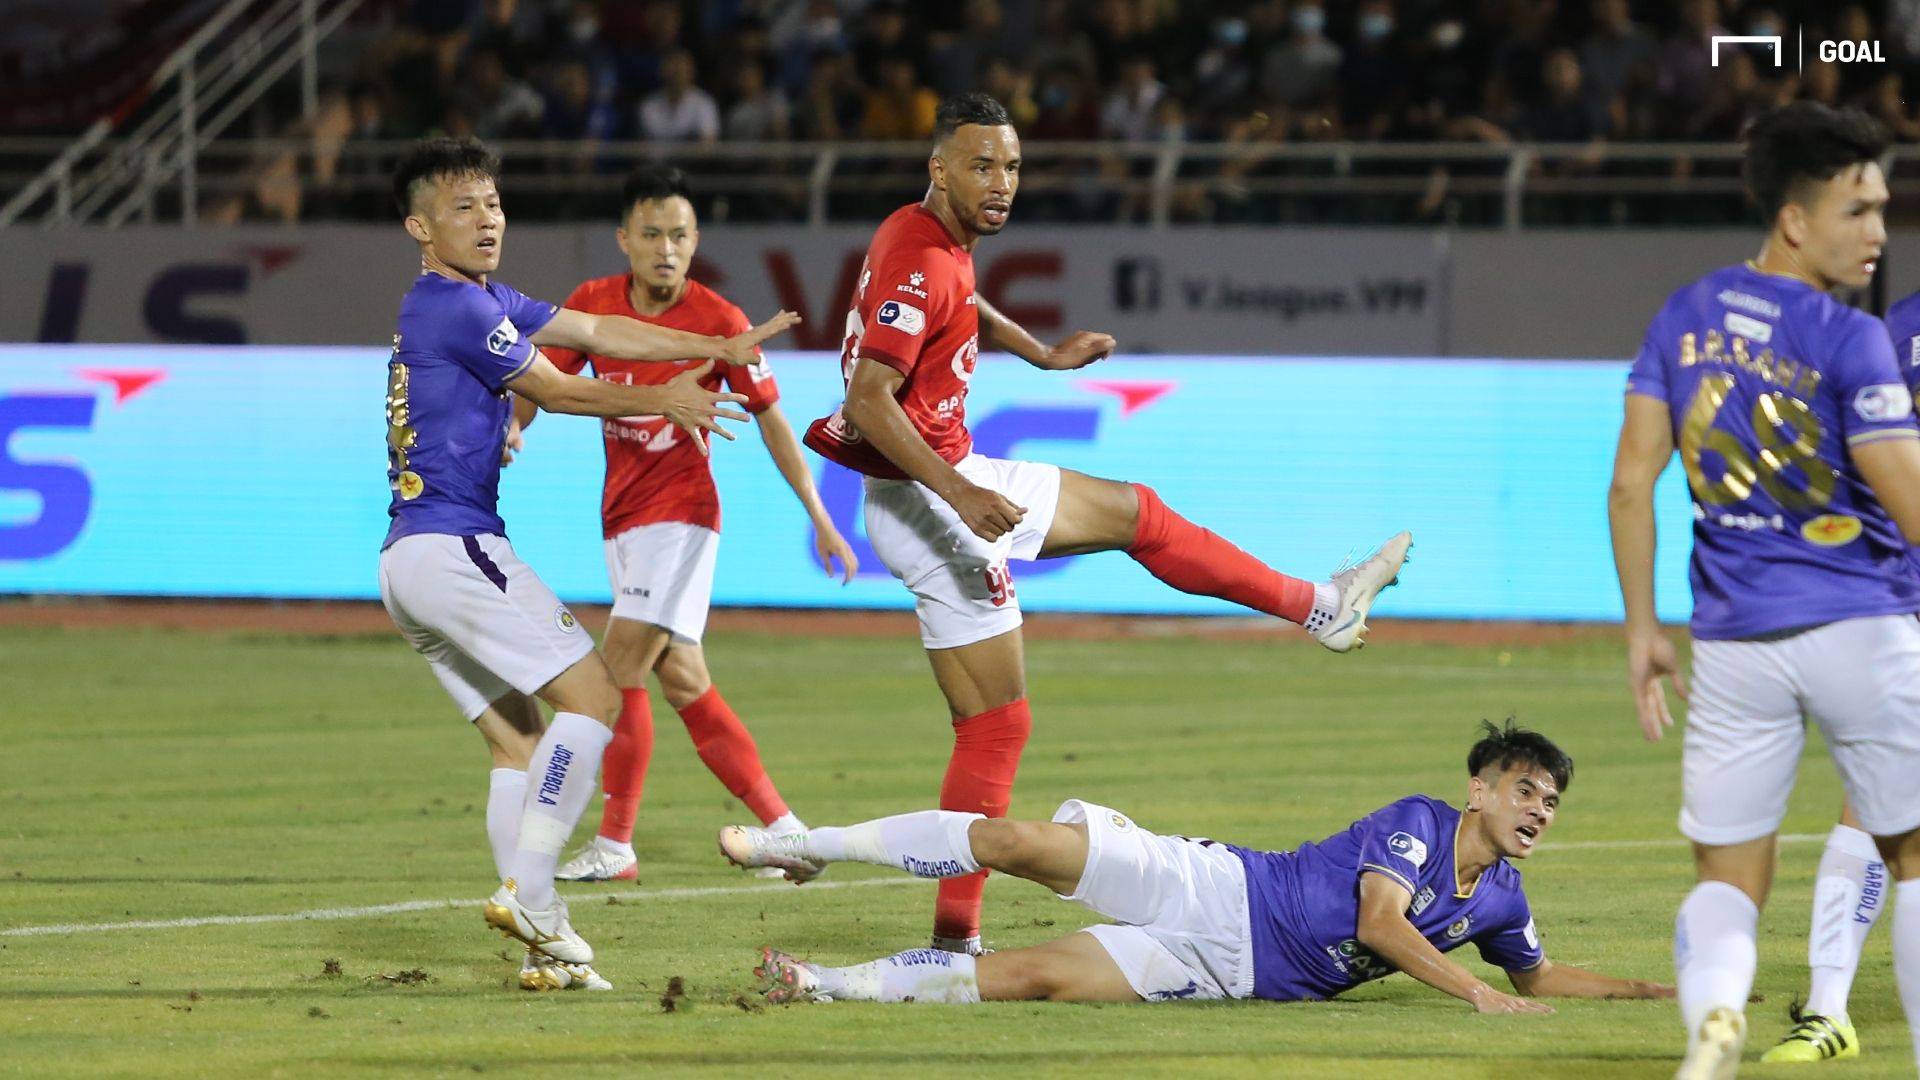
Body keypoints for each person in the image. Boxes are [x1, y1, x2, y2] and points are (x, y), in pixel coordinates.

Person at [802, 92, 1410, 956]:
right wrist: (960, 494)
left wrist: (1042, 354)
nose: (1002, 181)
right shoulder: (926, 260)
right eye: (982, 165)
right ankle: (951, 942)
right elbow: (869, 396)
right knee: (995, 726)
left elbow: (961, 306)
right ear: (938, 166)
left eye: (1012, 166)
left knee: (1137, 513)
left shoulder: (927, 233)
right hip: (933, 495)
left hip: (939, 481)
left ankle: (1321, 606)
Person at [376, 137, 797, 991]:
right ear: (420, 227)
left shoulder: (481, 299)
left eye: (493, 203)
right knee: (600, 693)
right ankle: (534, 892)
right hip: (455, 542)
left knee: (516, 746)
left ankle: (545, 947)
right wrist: (666, 394)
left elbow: (599, 331)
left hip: (407, 562)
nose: (487, 218)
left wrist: (709, 351)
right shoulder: (450, 309)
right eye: (463, 208)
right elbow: (559, 388)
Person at [1606, 101, 1920, 1077]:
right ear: (1796, 218)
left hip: (1731, 645)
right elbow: (1910, 502)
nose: (1877, 233)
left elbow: (1628, 483)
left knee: (1729, 880)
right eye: (1858, 210)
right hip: (1864, 628)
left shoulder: (1683, 314)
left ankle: (1714, 1024)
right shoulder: (1850, 335)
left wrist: (1644, 630)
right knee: (1914, 857)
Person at [718, 721, 1673, 1009]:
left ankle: (820, 985)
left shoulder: (1503, 901)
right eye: (1522, 790)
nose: (1536, 810)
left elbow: (1541, 973)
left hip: (1229, 973)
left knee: (1034, 977)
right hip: (1219, 887)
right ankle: (801, 844)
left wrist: (1648, 993)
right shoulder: (1418, 823)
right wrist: (1477, 996)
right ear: (1478, 789)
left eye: (1549, 801)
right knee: (1018, 844)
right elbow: (1383, 924)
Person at [509, 164, 858, 884]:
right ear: (625, 240)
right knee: (685, 682)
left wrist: (821, 516)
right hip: (623, 520)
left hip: (683, 519)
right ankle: (788, 832)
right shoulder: (594, 307)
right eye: (651, 234)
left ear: (695, 241)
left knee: (615, 671)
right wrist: (513, 427)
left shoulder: (722, 322)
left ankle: (615, 842)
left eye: (678, 234)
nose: (665, 248)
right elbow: (543, 381)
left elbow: (773, 424)